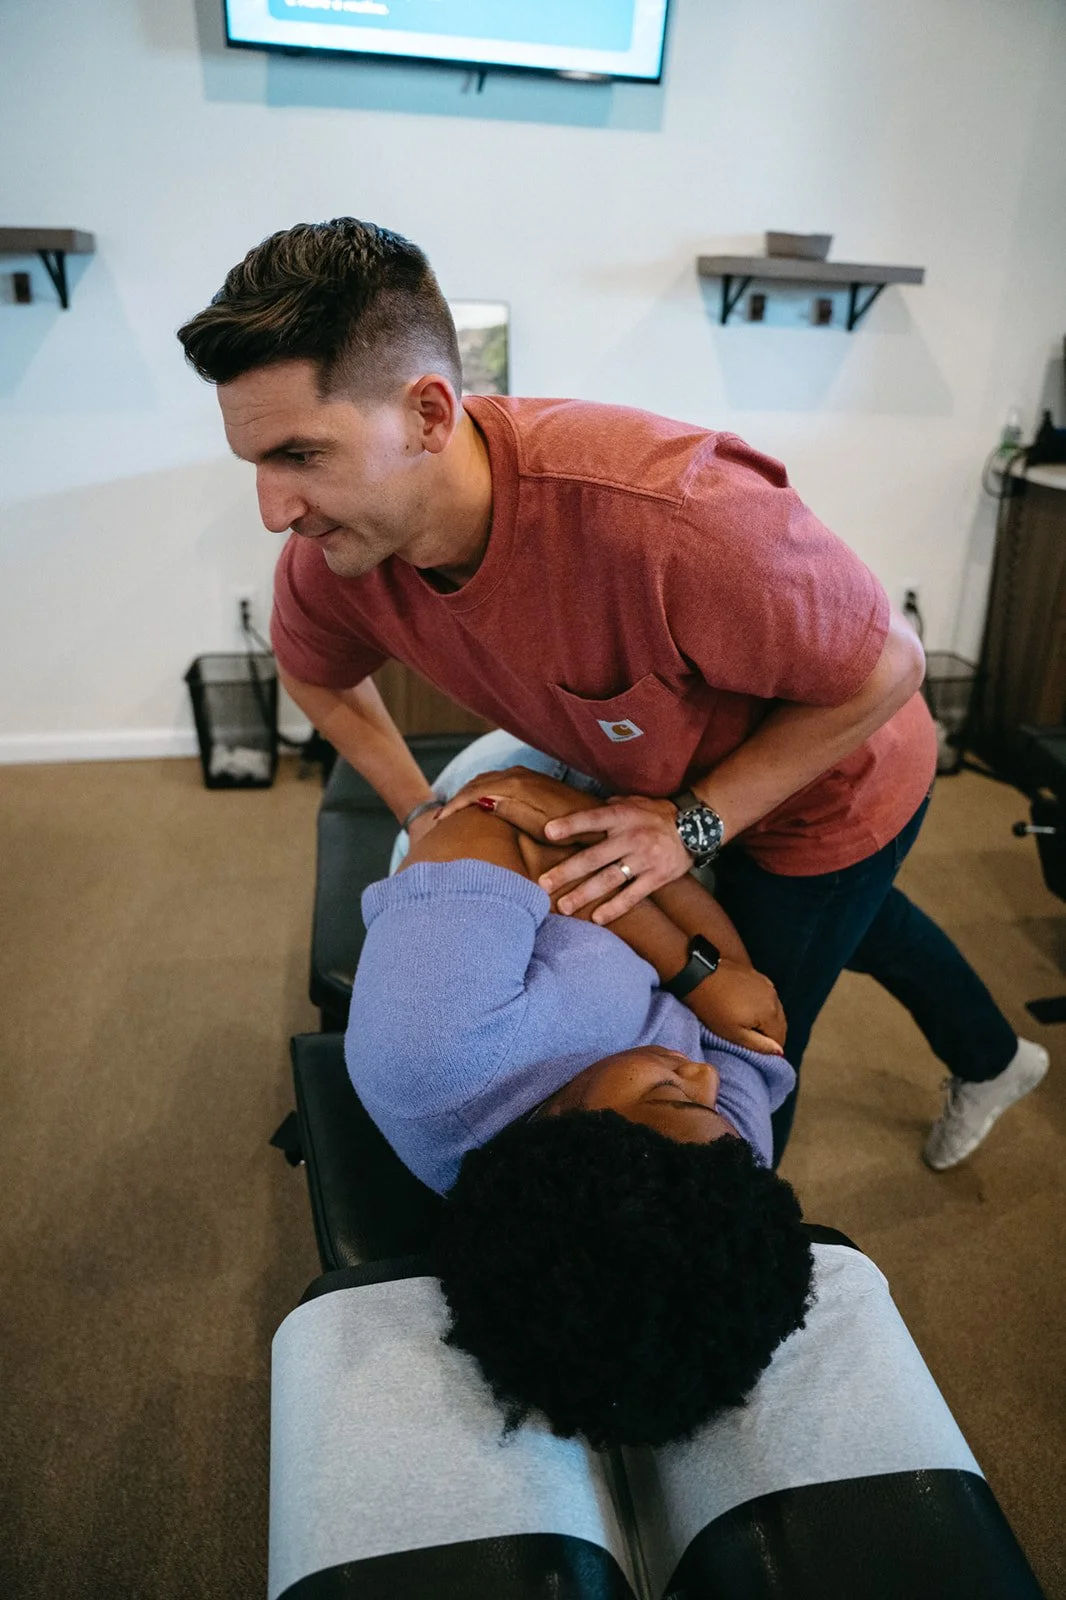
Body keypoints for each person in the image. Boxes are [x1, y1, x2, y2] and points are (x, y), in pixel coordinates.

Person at [176, 216, 1048, 1169]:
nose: (273, 512)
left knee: (754, 1045)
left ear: (428, 413)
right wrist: (420, 809)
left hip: (830, 782)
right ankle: (997, 1057)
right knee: (867, 923)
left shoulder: (675, 520)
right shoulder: (335, 558)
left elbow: (892, 667)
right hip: (666, 771)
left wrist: (690, 829)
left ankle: (747, 1216)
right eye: (255, 464)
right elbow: (311, 668)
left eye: (301, 456)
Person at [346, 737, 814, 1447]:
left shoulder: (434, 1044)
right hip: (618, 877)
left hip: (501, 804)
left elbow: (489, 812)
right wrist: (697, 973)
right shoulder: (719, 1181)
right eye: (709, 1106)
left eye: (672, 1093)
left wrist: (584, 819)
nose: (705, 1076)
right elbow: (749, 1012)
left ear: (558, 1120)